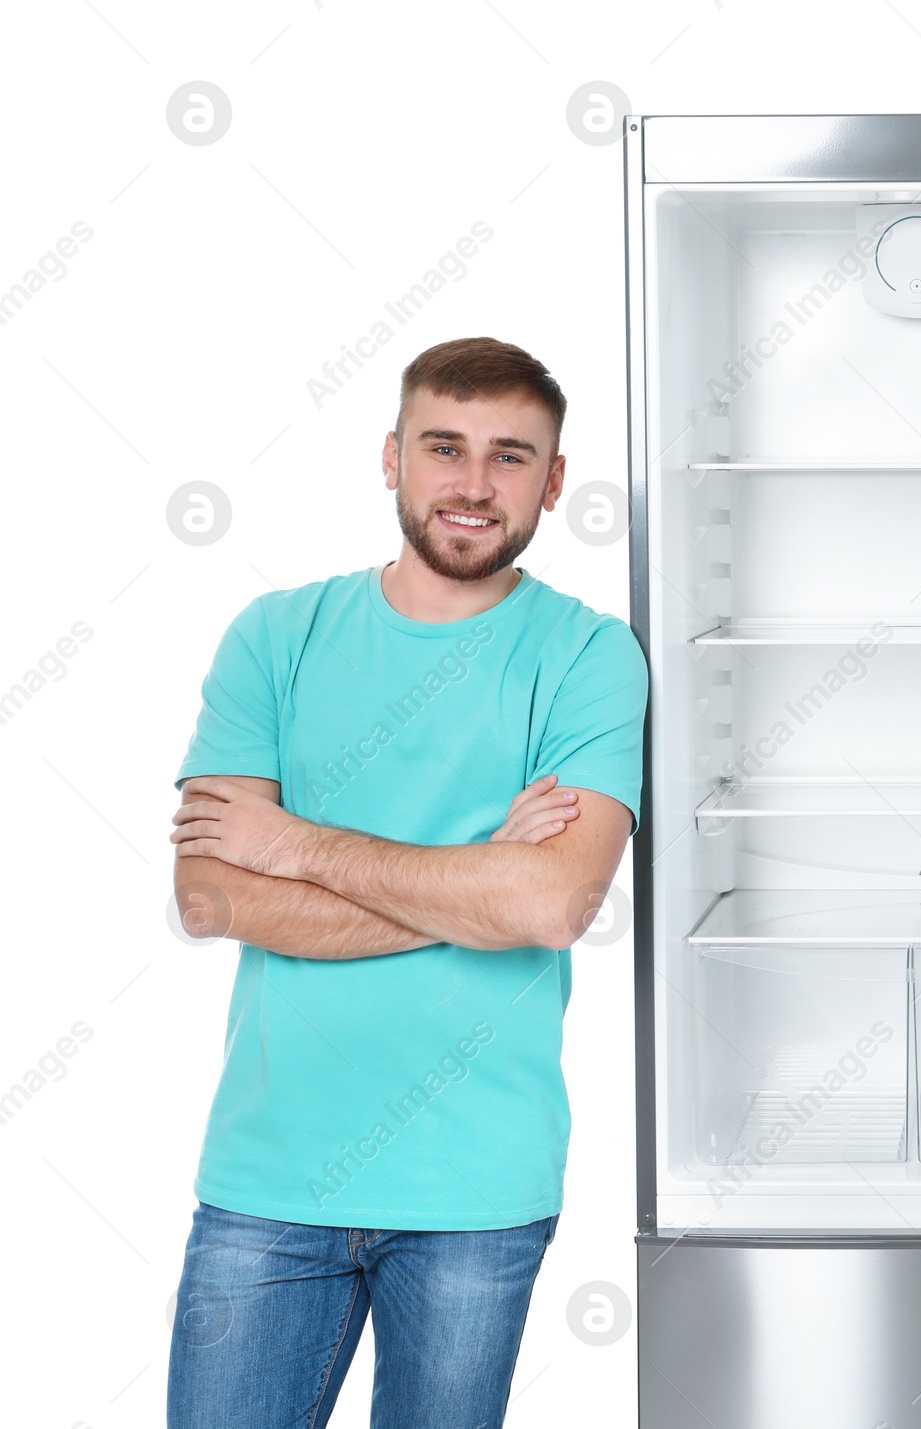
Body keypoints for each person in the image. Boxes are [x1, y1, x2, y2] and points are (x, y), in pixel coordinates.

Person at [163, 336, 646, 1429]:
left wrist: (294, 843)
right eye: (444, 447)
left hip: (475, 1190)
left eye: (512, 457)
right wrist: (479, 873)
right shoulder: (275, 637)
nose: (474, 485)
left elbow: (550, 904)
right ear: (391, 459)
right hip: (266, 1177)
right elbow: (210, 896)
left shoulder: (588, 657)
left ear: (555, 481)